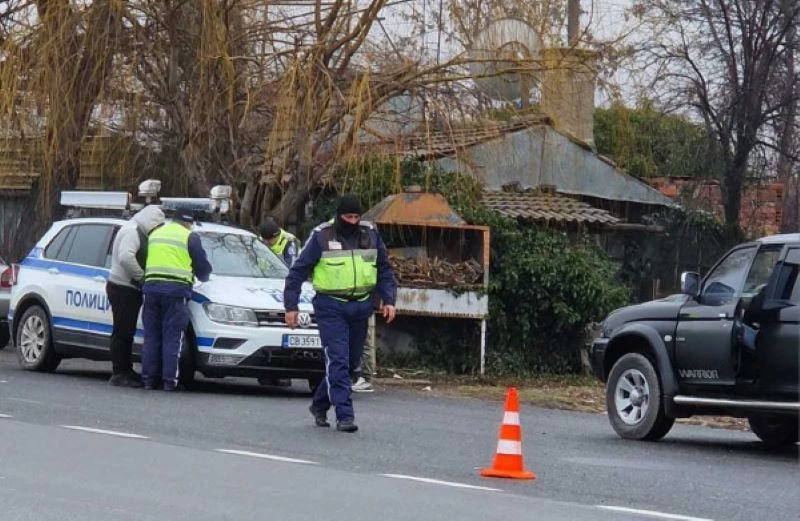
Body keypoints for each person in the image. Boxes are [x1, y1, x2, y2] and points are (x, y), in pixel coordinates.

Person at [284, 194, 396, 433]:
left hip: (361, 306)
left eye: (357, 216)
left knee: (351, 363)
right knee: (338, 360)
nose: (353, 221)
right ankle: (345, 415)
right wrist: (291, 307)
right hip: (330, 307)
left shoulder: (370, 235)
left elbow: (384, 269)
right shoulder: (322, 236)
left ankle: (319, 404)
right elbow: (297, 272)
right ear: (339, 216)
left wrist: (389, 299)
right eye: (348, 217)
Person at [141, 212, 212, 391]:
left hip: (151, 289)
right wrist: (204, 276)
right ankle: (169, 381)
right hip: (175, 292)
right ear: (188, 223)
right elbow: (202, 267)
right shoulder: (189, 237)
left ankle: (149, 380)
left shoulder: (155, 233)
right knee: (172, 337)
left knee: (151, 336)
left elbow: (144, 260)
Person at [106, 205, 165, 388]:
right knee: (123, 331)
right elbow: (125, 257)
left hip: (125, 287)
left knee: (126, 331)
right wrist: (141, 277)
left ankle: (125, 370)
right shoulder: (133, 231)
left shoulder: (134, 228)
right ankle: (119, 372)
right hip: (123, 287)